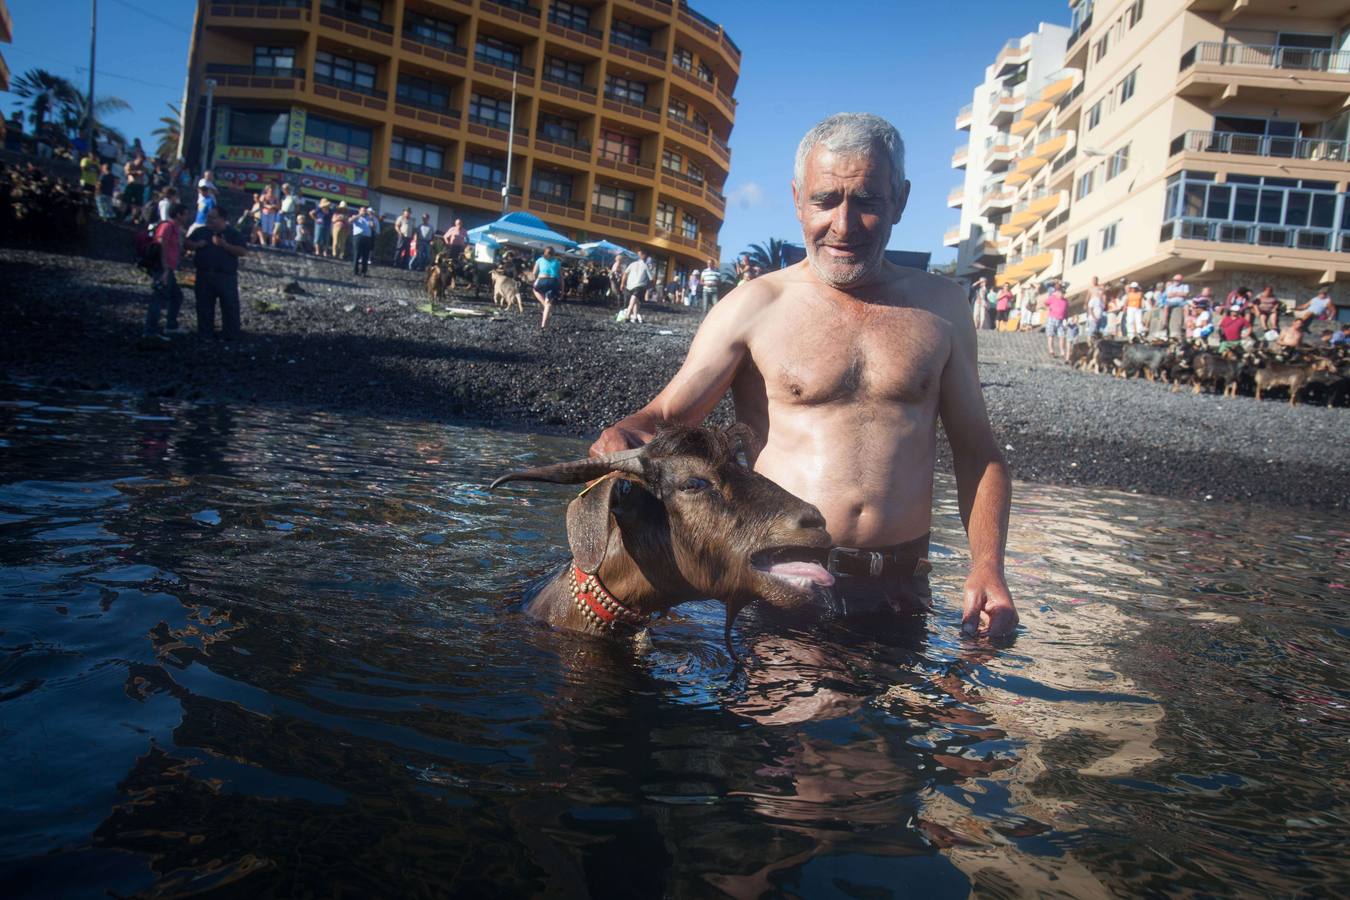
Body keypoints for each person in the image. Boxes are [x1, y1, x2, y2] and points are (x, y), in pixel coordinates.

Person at [591, 113, 1017, 637]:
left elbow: (980, 453)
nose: (842, 225)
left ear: (900, 201)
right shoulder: (754, 306)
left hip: (902, 593)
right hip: (780, 578)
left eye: (867, 201)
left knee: (894, 723)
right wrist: (623, 434)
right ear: (798, 199)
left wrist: (987, 567)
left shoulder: (942, 310)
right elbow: (664, 416)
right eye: (825, 201)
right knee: (786, 718)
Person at [185, 204, 247, 341]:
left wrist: (224, 245)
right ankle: (205, 334)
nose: (209, 220)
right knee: (204, 306)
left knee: (229, 306)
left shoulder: (233, 233)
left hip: (225, 276)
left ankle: (230, 335)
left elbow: (242, 251)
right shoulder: (201, 231)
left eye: (213, 218)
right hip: (204, 274)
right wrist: (196, 245)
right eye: (208, 217)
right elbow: (186, 243)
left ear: (222, 219)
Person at [145, 202, 190, 339]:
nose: (187, 217)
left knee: (176, 296)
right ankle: (150, 332)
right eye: (185, 214)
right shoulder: (167, 226)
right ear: (178, 214)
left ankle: (171, 325)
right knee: (158, 299)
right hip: (162, 269)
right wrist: (164, 268)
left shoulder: (175, 228)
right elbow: (161, 244)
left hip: (168, 269)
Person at [531, 246, 562, 329]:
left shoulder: (540, 260)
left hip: (542, 280)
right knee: (549, 303)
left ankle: (544, 305)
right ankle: (544, 325)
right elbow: (561, 277)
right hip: (553, 282)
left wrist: (535, 281)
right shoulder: (557, 262)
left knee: (535, 289)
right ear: (554, 254)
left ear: (544, 252)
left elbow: (534, 273)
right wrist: (561, 289)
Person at [621, 249, 653, 323]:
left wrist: (622, 283)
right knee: (634, 300)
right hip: (640, 285)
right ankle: (631, 316)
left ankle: (631, 316)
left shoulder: (632, 264)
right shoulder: (645, 266)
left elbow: (625, 273)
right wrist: (649, 287)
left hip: (630, 285)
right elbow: (651, 279)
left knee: (634, 300)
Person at [1159, 273, 1189, 339]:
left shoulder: (1185, 286)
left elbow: (1185, 294)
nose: (1176, 281)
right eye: (1175, 280)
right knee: (1166, 307)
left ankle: (1186, 321)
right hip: (1171, 301)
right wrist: (1179, 294)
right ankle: (1165, 322)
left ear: (1181, 280)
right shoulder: (1170, 287)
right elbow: (1168, 295)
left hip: (1181, 301)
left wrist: (1175, 294)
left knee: (1186, 307)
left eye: (1177, 280)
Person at [1043, 280, 1069, 358]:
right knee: (1050, 335)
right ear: (1058, 292)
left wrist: (1066, 319)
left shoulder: (1065, 301)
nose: (1062, 294)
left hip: (1061, 320)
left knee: (1062, 336)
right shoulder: (1052, 297)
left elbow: (1066, 310)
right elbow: (1045, 303)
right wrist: (1048, 309)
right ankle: (1051, 351)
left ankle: (1062, 352)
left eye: (1064, 293)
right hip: (1052, 318)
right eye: (1061, 293)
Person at [351, 206, 376, 276]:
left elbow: (373, 227)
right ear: (359, 210)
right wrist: (359, 215)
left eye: (365, 211)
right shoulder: (356, 217)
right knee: (357, 254)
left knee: (365, 255)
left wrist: (371, 220)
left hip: (367, 238)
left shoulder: (369, 218)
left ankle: (363, 271)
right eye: (362, 210)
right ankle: (355, 271)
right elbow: (350, 220)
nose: (364, 212)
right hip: (358, 237)